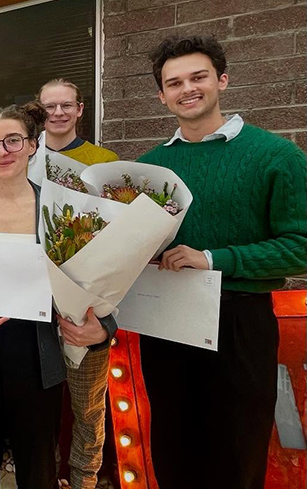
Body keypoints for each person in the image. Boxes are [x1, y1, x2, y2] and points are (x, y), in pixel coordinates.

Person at [137, 35, 307, 489]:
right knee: (173, 449)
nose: (186, 89)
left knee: (236, 453)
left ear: (222, 81)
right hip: (165, 320)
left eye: (198, 77)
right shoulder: (148, 168)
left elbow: (301, 244)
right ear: (162, 95)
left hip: (238, 322)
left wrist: (213, 258)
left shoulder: (276, 156)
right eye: (174, 83)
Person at [0, 102, 114, 489]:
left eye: (13, 140)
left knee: (38, 467)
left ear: (33, 145)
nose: (3, 152)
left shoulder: (63, 209)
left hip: (38, 353)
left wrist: (104, 327)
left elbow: (102, 278)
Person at [37, 79, 119, 489]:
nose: (57, 113)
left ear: (80, 109)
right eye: (49, 106)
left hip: (86, 304)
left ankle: (84, 479)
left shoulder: (103, 161)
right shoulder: (23, 155)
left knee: (88, 407)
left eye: (65, 105)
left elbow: (119, 237)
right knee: (39, 405)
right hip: (33, 303)